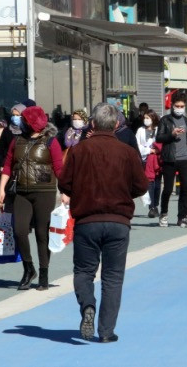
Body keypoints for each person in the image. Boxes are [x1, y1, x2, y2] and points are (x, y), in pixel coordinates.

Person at [58, 103, 148, 343]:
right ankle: (106, 331)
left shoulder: (79, 150)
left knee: (84, 271)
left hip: (87, 220)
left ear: (93, 124)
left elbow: (64, 183)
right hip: (118, 221)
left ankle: (88, 305)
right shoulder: (127, 152)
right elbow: (141, 186)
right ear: (117, 125)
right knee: (113, 277)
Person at [0, 106, 63, 291]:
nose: (21, 123)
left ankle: (44, 272)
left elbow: (59, 168)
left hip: (44, 191)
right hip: (21, 192)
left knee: (43, 234)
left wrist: (66, 191)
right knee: (19, 230)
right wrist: (1, 188)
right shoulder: (17, 140)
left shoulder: (51, 142)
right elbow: (8, 165)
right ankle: (28, 268)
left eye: (24, 120)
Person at [155, 92, 187, 228]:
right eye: (177, 106)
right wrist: (171, 134)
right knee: (167, 189)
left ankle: (186, 216)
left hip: (185, 158)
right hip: (170, 159)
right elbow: (159, 138)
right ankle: (164, 214)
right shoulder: (165, 120)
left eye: (182, 106)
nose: (179, 108)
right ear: (172, 106)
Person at [136, 110, 161, 218]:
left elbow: (161, 143)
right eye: (145, 118)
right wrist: (148, 150)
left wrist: (156, 150)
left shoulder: (158, 130)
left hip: (157, 160)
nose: (146, 120)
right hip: (145, 160)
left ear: (153, 118)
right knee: (149, 183)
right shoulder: (140, 130)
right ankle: (151, 207)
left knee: (158, 184)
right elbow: (137, 145)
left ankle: (156, 204)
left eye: (148, 118)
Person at [0, 103, 27, 171]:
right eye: (13, 115)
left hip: (23, 167)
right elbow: (1, 150)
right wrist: (1, 164)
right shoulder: (8, 130)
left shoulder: (27, 131)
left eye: (17, 115)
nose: (15, 117)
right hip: (7, 166)